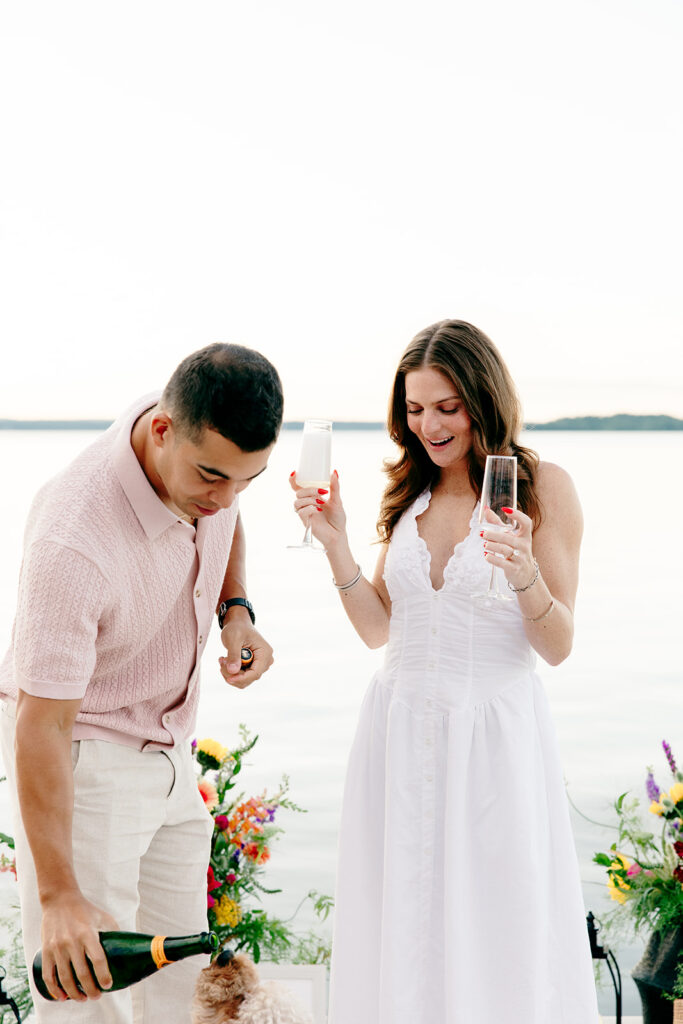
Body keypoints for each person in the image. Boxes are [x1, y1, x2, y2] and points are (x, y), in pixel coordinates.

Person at [290, 320, 599, 1023]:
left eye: (446, 406)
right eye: (414, 408)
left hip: (490, 743)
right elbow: (379, 630)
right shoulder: (410, 492)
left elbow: (556, 645)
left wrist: (523, 573)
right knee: (398, 917)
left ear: (482, 399)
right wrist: (334, 542)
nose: (428, 425)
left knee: (495, 925)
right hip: (396, 733)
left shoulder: (542, 486)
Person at [0, 343, 283, 1023]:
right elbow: (39, 724)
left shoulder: (200, 467)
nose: (225, 499)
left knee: (174, 998)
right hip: (86, 773)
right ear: (162, 430)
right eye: (212, 476)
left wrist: (234, 610)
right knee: (88, 1010)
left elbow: (226, 518)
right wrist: (60, 895)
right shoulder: (73, 542)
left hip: (171, 762)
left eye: (247, 480)